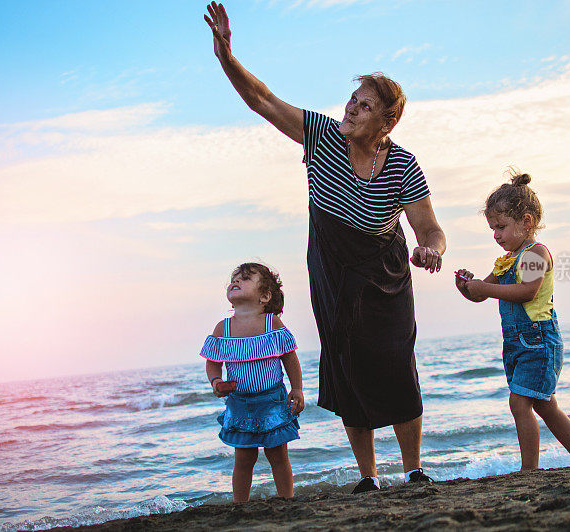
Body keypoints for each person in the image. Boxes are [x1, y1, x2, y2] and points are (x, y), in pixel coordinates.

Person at [203, 2, 446, 493]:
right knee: (348, 365)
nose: (351, 109)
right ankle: (369, 476)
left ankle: (414, 469)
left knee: (397, 365)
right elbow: (263, 100)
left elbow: (430, 229)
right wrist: (227, 55)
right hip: (335, 277)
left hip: (386, 277)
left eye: (365, 105)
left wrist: (433, 250)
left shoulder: (402, 165)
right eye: (352, 100)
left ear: (387, 121)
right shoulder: (321, 135)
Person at [454, 169, 570, 470]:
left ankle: (529, 469)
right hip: (518, 343)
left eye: (501, 227)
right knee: (543, 404)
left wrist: (485, 288)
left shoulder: (535, 253)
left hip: (538, 341)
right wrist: (467, 287)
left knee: (519, 403)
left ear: (526, 222)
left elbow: (528, 291)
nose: (496, 235)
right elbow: (481, 294)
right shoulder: (506, 261)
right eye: (492, 228)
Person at [200, 262, 305, 501]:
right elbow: (213, 361)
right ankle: (240, 504)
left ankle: (287, 499)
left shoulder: (272, 324)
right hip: (240, 403)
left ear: (265, 296)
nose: (236, 281)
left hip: (272, 400)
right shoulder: (223, 329)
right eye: (234, 278)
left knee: (278, 455)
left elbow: (290, 357)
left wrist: (297, 388)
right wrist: (216, 381)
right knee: (244, 458)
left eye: (245, 278)